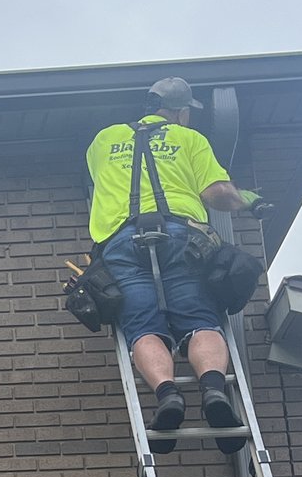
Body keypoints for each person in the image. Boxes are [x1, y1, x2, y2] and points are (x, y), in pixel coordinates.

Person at [85, 76, 257, 453]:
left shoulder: (102, 141)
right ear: (180, 111)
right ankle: (213, 391)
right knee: (199, 319)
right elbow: (217, 194)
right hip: (182, 236)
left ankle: (168, 396)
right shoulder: (190, 139)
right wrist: (250, 200)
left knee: (143, 326)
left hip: (120, 240)